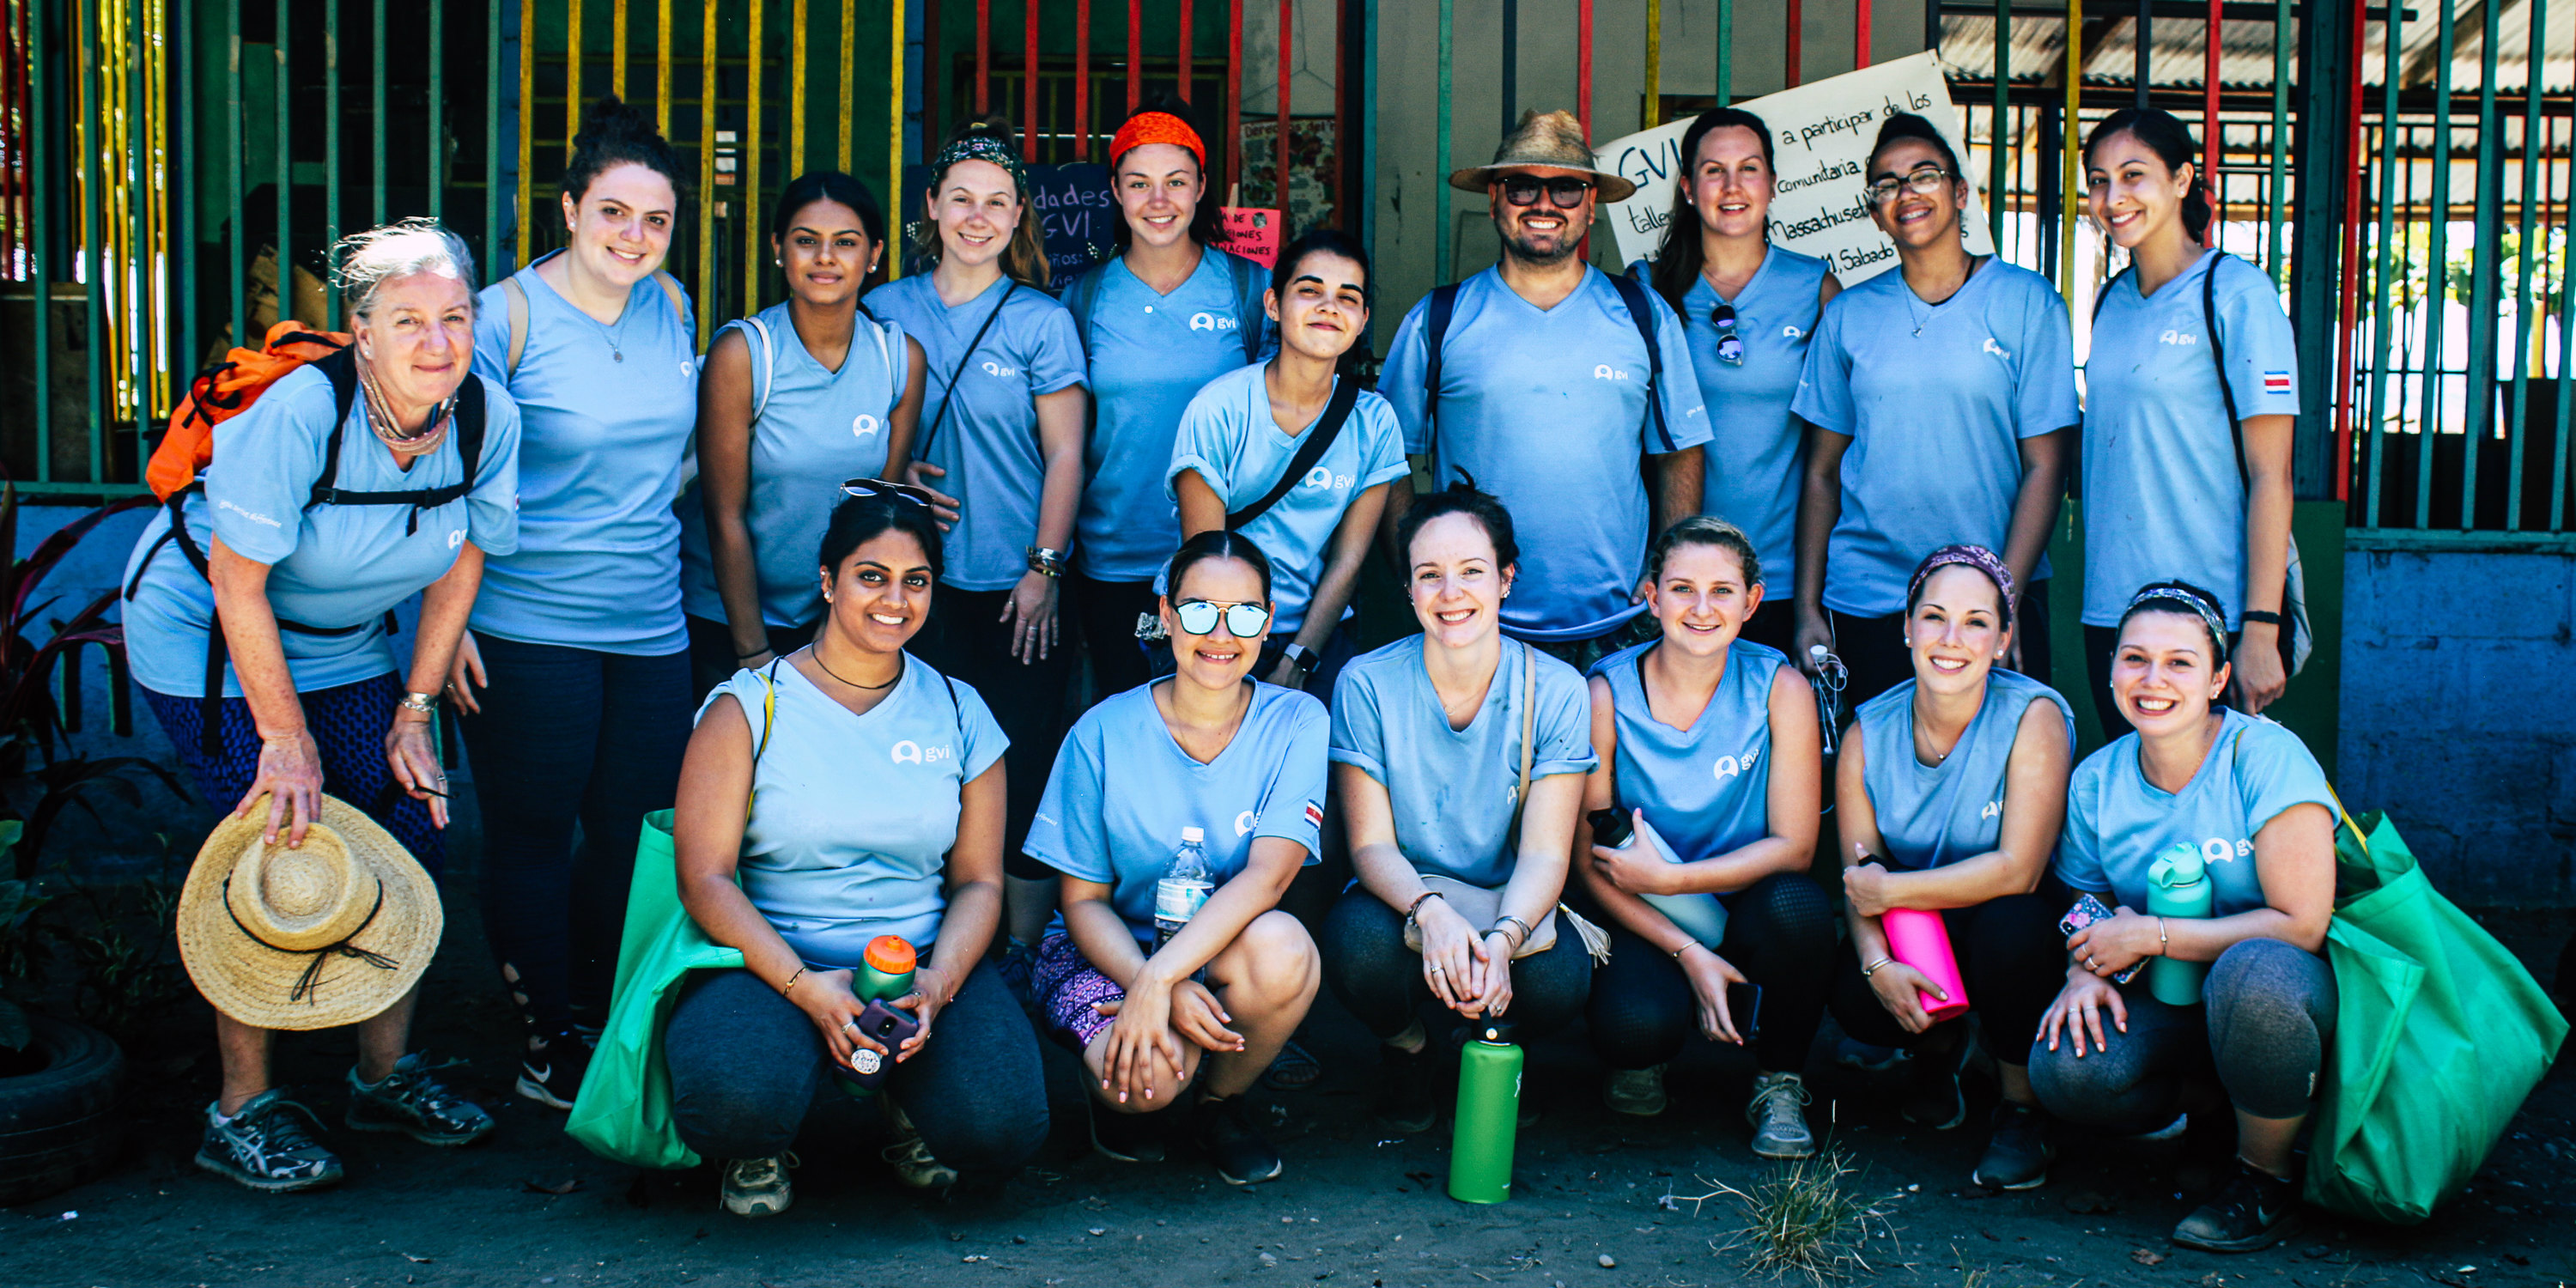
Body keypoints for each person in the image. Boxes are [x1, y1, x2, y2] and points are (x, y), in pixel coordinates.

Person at [121, 219, 516, 1190]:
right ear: (362, 333)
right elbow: (236, 582)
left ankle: (380, 1076)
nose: (437, 342)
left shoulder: (485, 417)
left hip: (343, 640)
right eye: (408, 320)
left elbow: (464, 559)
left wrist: (415, 708)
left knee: (406, 824)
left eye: (456, 317)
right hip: (211, 637)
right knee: (277, 838)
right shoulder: (304, 412)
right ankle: (241, 1107)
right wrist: (284, 741)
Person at [665, 488, 1048, 1217]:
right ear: (827, 580)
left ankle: (903, 1099)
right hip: (771, 960)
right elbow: (705, 881)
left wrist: (937, 985)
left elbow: (979, 885)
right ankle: (763, 1137)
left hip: (917, 961)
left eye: (916, 581)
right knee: (730, 1105)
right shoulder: (748, 705)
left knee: (1002, 1129)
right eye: (871, 575)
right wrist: (808, 988)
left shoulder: (961, 709)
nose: (893, 600)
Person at [454, 97, 700, 1109]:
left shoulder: (674, 305)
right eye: (613, 214)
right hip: (525, 623)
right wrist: (449, 620)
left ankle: (602, 1015)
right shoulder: (506, 317)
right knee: (531, 834)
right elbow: (449, 475)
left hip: (649, 622)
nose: (634, 238)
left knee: (636, 831)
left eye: (655, 219)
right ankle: (545, 1033)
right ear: (568, 209)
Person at [2032, 580, 2337, 1254]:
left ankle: (2266, 1178)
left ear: (2219, 677)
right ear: (2110, 667)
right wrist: (2083, 968)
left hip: (2281, 995)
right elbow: (2083, 899)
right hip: (2173, 997)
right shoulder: (2098, 779)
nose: (2152, 679)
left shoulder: (2264, 757)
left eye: (2180, 662)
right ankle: (2210, 1116)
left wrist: (2154, 934)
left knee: (2256, 973)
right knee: (2069, 1069)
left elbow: (2302, 925)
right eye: (2134, 658)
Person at [1023, 531, 1327, 1187]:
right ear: (1165, 616)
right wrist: (1148, 978)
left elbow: (1269, 877)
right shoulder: (1101, 731)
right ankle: (1135, 1096)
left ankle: (1219, 1106)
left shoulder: (1297, 721)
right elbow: (1082, 904)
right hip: (1104, 948)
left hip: (1209, 949)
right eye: (1198, 611)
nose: (1221, 633)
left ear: (1268, 622)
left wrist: (1163, 981)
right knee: (1146, 1084)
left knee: (1287, 951)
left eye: (1245, 612)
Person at [866, 118, 1089, 960]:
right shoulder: (885, 309)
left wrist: (1044, 566)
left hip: (1013, 586)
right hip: (907, 591)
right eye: (960, 198)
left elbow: (1066, 450)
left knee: (1020, 765)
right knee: (916, 761)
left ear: (1018, 215)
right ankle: (913, 941)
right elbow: (854, 445)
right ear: (931, 205)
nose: (976, 216)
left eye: (996, 202)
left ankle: (1020, 959)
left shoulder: (1040, 320)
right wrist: (889, 482)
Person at [1378, 110, 1710, 669]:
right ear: (1493, 199)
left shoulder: (1643, 316)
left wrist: (1667, 573)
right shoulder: (1438, 319)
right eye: (1522, 186)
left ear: (1591, 205)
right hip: (1478, 626)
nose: (1544, 204)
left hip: (1622, 630)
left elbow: (1679, 452)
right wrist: (1417, 577)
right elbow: (1387, 465)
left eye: (1566, 188)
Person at [1322, 486, 1602, 1132]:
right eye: (1430, 576)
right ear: (1410, 590)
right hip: (1405, 898)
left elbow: (1545, 853)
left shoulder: (1555, 689)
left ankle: (1495, 1047)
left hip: (1509, 898)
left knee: (1559, 979)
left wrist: (1504, 940)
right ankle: (1407, 1048)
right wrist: (1433, 913)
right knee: (1356, 942)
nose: (1451, 593)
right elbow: (1370, 846)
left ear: (1505, 579)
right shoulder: (1367, 683)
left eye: (1472, 571)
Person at [1791, 113, 2077, 708]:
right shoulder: (1849, 316)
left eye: (1924, 175)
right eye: (1888, 184)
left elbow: (2046, 466)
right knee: (1872, 782)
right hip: (1870, 598)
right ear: (1874, 212)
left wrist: (2005, 598)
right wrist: (1807, 607)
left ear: (1960, 191)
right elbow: (1821, 472)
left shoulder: (2027, 303)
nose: (1907, 193)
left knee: (2003, 781)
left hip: (1989, 601)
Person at [1576, 518, 1834, 1158]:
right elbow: (1588, 862)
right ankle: (1650, 1048)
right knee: (1634, 1026)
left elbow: (1795, 847)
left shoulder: (1780, 687)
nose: (1700, 608)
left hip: (1738, 902)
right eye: (1682, 588)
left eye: (1722, 591)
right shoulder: (1606, 692)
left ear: (1751, 602)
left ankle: (1779, 1078)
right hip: (1644, 914)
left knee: (1799, 908)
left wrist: (1676, 879)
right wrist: (1686, 950)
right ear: (1651, 596)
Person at [1826, 546, 2075, 1191]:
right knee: (1855, 995)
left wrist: (1889, 889)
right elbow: (1860, 881)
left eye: (1975, 622)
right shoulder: (1867, 733)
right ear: (1906, 626)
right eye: (1934, 617)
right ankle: (1938, 1047)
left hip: (2010, 928)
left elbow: (2018, 870)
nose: (1951, 640)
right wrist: (1879, 966)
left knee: (2014, 926)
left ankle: (2023, 1109)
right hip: (1922, 935)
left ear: (2003, 639)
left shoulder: (2034, 715)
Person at [2079, 108, 2300, 733]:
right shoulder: (2110, 302)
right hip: (2115, 611)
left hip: (2211, 614)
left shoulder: (2236, 293)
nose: (2112, 198)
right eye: (2098, 181)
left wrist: (2260, 626)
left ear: (2182, 180)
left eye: (2133, 175)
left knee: (2210, 821)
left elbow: (2271, 475)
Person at [680, 171, 928, 695]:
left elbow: (876, 516)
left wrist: (831, 636)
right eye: (805, 241)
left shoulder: (898, 359)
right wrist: (754, 655)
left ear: (875, 253)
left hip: (840, 623)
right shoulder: (744, 355)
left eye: (846, 242)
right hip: (732, 623)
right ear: (778, 248)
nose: (825, 258)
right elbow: (725, 515)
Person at [1060, 100, 1273, 698]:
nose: (1159, 201)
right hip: (1116, 555)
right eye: (1139, 184)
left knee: (1221, 718)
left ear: (1202, 187)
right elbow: (1057, 435)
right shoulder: (1085, 298)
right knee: (1128, 714)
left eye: (1176, 182)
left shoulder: (1248, 289)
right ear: (1116, 192)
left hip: (1225, 557)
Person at [1169, 227, 1407, 700]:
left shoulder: (1374, 421)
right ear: (1274, 305)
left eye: (1347, 298)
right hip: (1214, 631)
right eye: (1310, 291)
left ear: (1362, 320)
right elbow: (1205, 560)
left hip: (1314, 635)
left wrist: (1300, 657)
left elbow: (1349, 560)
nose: (1328, 306)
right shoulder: (1221, 409)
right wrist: (1232, 649)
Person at [1641, 109, 1839, 654]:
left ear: (1773, 184)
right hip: (1674, 579)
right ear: (1687, 187)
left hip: (1779, 574)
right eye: (1713, 171)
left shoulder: (1815, 286)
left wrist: (1810, 603)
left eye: (1748, 169)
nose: (1732, 187)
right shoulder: (1646, 288)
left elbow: (1837, 450)